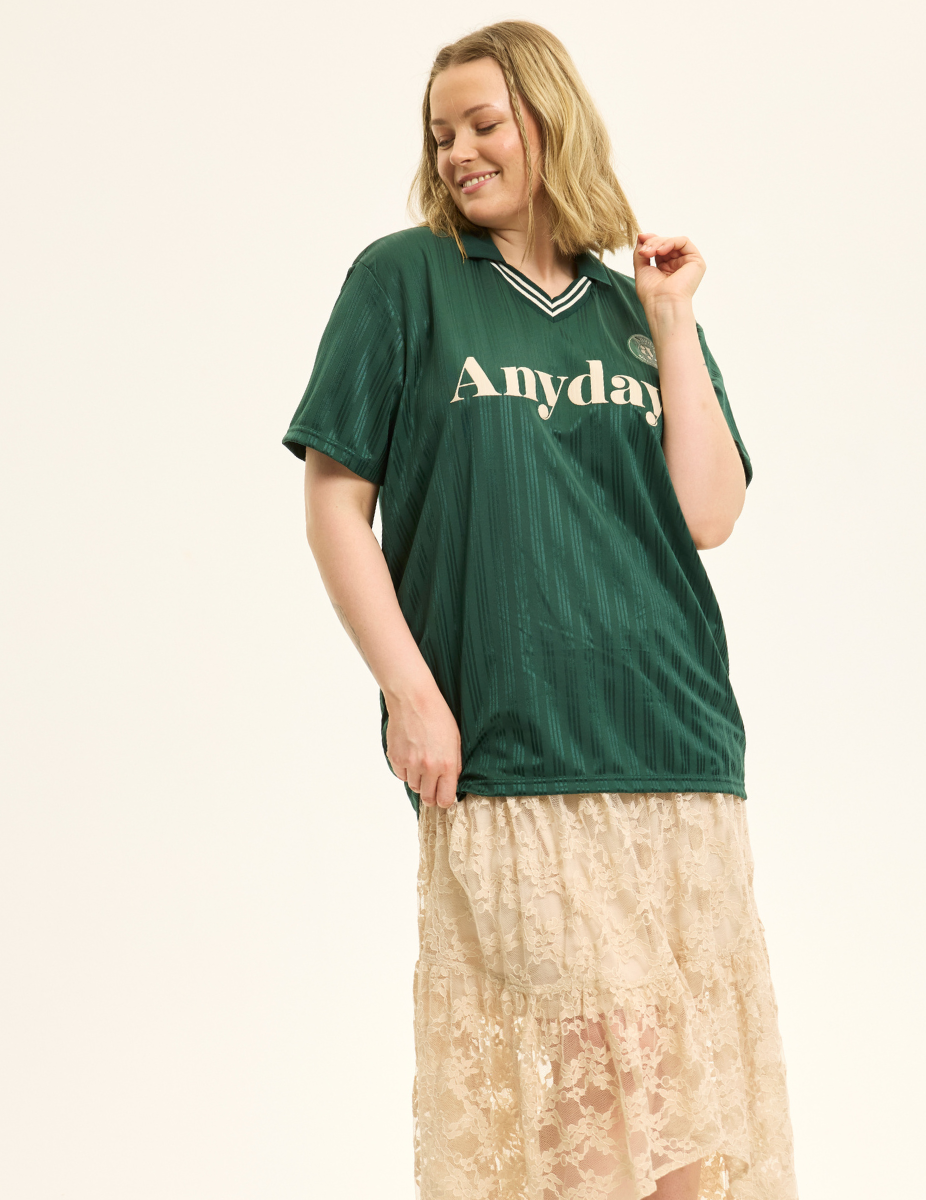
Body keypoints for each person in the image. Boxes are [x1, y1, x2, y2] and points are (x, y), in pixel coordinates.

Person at [282, 20, 798, 1200]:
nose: (458, 153)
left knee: (683, 1122)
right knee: (579, 1126)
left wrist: (673, 322)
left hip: (674, 748)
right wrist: (411, 694)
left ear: (550, 123)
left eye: (484, 124)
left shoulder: (633, 308)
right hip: (513, 751)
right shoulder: (404, 281)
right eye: (441, 134)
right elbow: (333, 505)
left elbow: (709, 512)